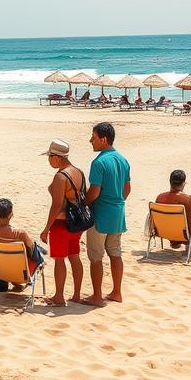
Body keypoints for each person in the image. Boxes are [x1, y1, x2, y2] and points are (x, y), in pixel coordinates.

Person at [82, 122, 130, 306]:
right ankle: (117, 292)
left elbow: (94, 191)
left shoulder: (99, 162)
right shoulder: (122, 159)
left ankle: (96, 296)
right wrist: (116, 200)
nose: (90, 141)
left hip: (101, 214)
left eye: (93, 138)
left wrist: (83, 204)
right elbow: (127, 188)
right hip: (118, 213)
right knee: (115, 253)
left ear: (103, 139)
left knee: (95, 257)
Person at [39, 139, 85, 306]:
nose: (49, 160)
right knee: (74, 256)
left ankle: (59, 296)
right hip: (76, 223)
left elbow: (57, 205)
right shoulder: (78, 171)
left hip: (61, 224)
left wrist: (46, 228)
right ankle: (77, 294)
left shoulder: (60, 176)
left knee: (60, 259)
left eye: (49, 156)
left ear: (57, 157)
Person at [0, 198, 42, 293]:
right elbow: (32, 251)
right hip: (21, 275)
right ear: (11, 214)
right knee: (34, 249)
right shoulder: (20, 233)